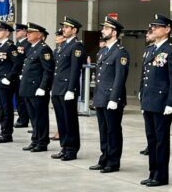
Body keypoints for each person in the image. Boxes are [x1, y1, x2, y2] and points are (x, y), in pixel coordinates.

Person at [139, 14, 172, 187]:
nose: (154, 29)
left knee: (161, 141)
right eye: (153, 26)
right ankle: (152, 173)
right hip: (149, 101)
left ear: (167, 30)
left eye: (158, 27)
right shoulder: (149, 50)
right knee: (151, 140)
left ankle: (161, 176)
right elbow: (145, 77)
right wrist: (142, 96)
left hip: (162, 103)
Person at [90, 16, 129, 173]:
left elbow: (120, 78)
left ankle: (113, 161)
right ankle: (104, 157)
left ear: (114, 32)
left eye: (106, 28)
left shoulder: (120, 52)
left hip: (112, 99)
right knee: (103, 130)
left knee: (113, 130)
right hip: (101, 97)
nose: (102, 30)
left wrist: (114, 98)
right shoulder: (102, 52)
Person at [49, 17, 86, 161]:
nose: (63, 29)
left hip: (67, 89)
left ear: (74, 30)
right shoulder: (64, 46)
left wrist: (71, 89)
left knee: (70, 120)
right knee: (61, 120)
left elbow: (75, 70)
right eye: (63, 27)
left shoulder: (76, 46)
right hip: (58, 87)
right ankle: (64, 147)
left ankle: (72, 149)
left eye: (66, 27)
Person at [19, 23, 55, 153]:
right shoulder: (32, 48)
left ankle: (42, 142)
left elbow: (48, 70)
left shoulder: (43, 49)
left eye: (30, 32)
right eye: (27, 32)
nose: (27, 34)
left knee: (40, 116)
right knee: (33, 117)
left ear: (39, 35)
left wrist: (43, 87)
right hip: (29, 88)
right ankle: (35, 139)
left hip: (37, 89)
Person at [0, 23, 22, 144]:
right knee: (1, 109)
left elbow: (17, 63)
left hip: (6, 82)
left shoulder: (10, 47)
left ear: (7, 33)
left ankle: (7, 133)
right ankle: (3, 131)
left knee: (6, 108)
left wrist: (9, 78)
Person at [139, 27, 156, 156]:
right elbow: (143, 74)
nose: (147, 35)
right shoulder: (148, 50)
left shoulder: (169, 50)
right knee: (148, 127)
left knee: (157, 128)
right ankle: (150, 146)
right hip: (147, 94)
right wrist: (141, 90)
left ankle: (153, 146)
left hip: (157, 97)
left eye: (150, 32)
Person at [14, 24, 31, 128]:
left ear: (25, 32)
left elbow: (27, 60)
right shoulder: (18, 44)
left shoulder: (27, 44)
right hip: (16, 75)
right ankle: (21, 117)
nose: (16, 32)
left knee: (22, 99)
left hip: (23, 75)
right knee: (18, 98)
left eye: (19, 31)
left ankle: (23, 119)